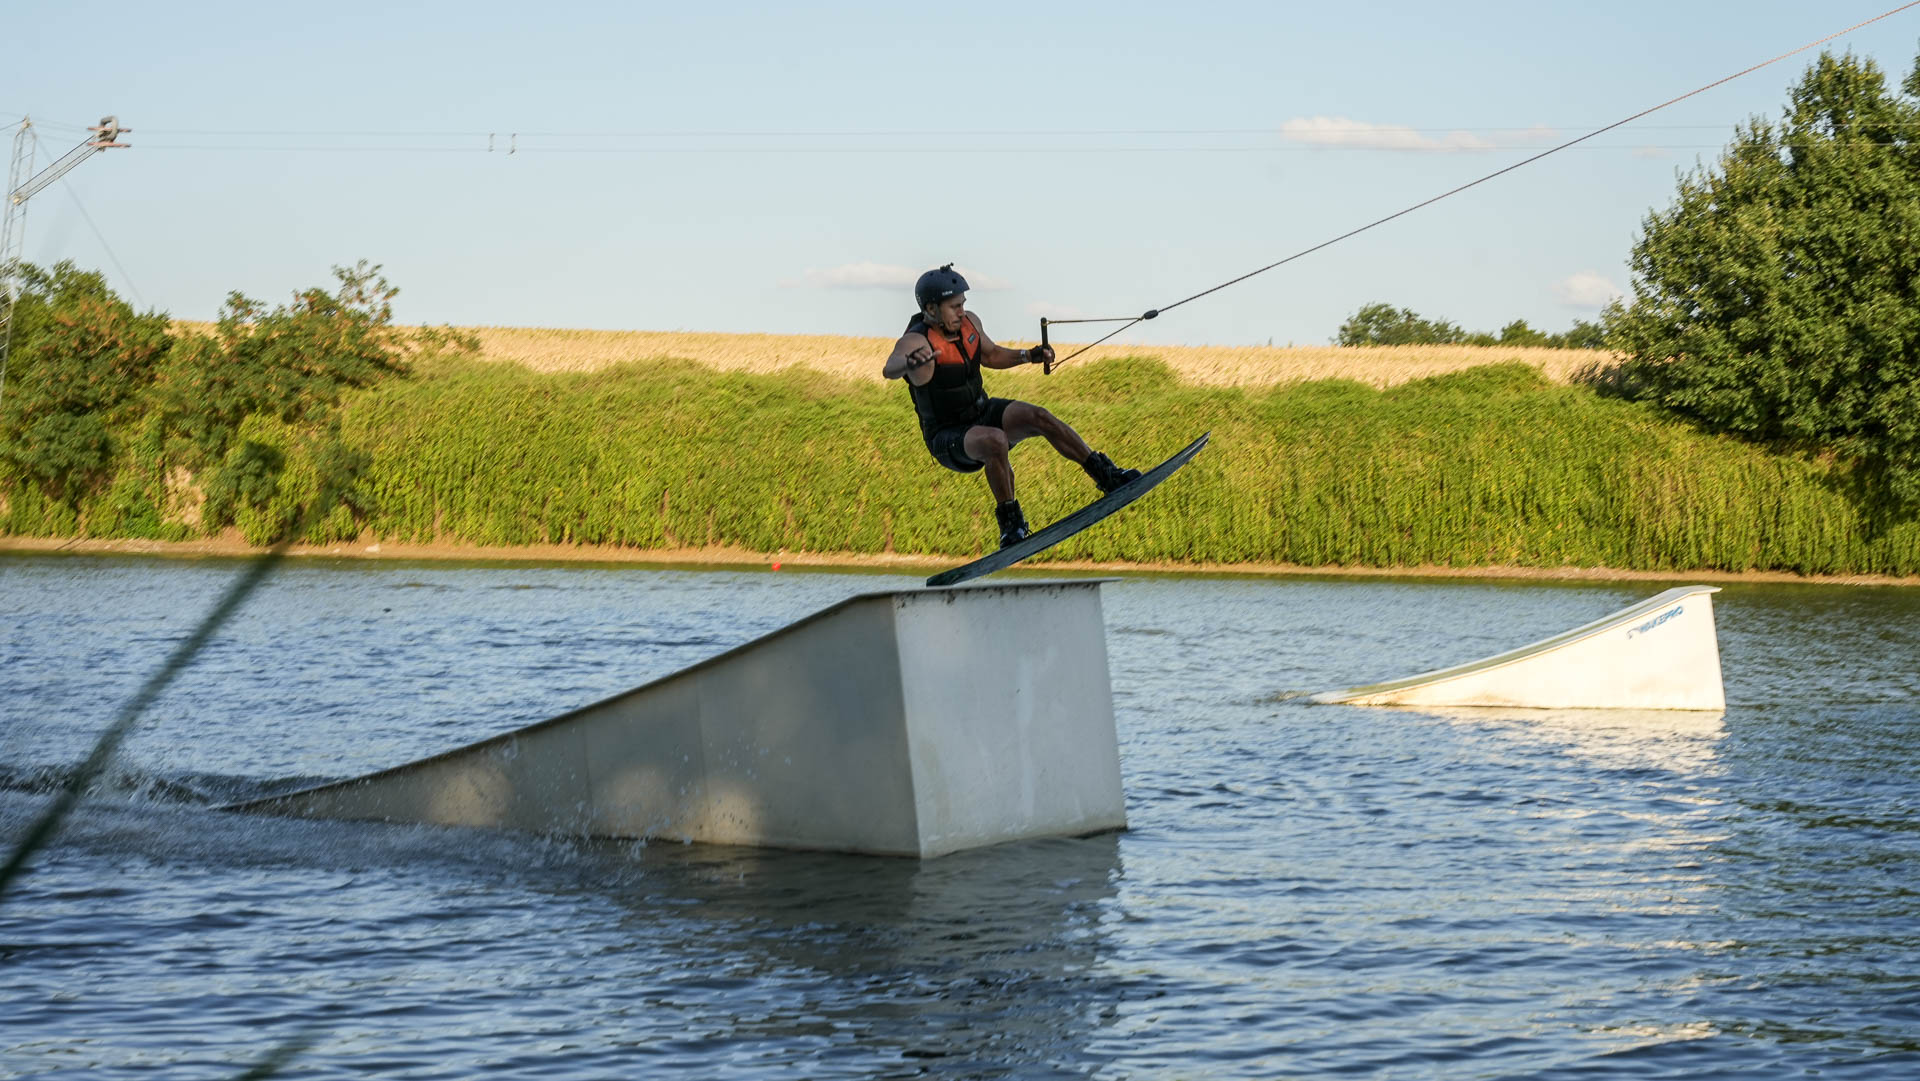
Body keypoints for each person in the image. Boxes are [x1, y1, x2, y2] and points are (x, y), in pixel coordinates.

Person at [883, 264, 1141, 548]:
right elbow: (890, 367)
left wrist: (1029, 355)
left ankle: (1107, 476)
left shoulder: (970, 323)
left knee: (1039, 416)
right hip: (948, 437)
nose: (961, 311)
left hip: (981, 413)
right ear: (931, 310)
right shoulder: (916, 340)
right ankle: (1011, 526)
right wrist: (908, 363)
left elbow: (991, 355)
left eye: (963, 304)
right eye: (954, 306)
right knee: (995, 441)